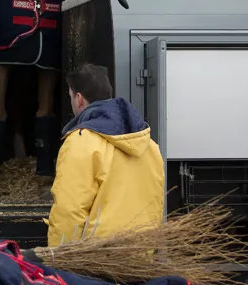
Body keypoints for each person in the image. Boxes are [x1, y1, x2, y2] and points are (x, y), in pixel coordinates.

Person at [46, 64, 166, 247]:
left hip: (98, 259)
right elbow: (155, 204)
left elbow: (69, 212)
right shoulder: (148, 144)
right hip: (142, 254)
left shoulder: (80, 142)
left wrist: (59, 258)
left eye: (70, 96)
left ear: (79, 99)